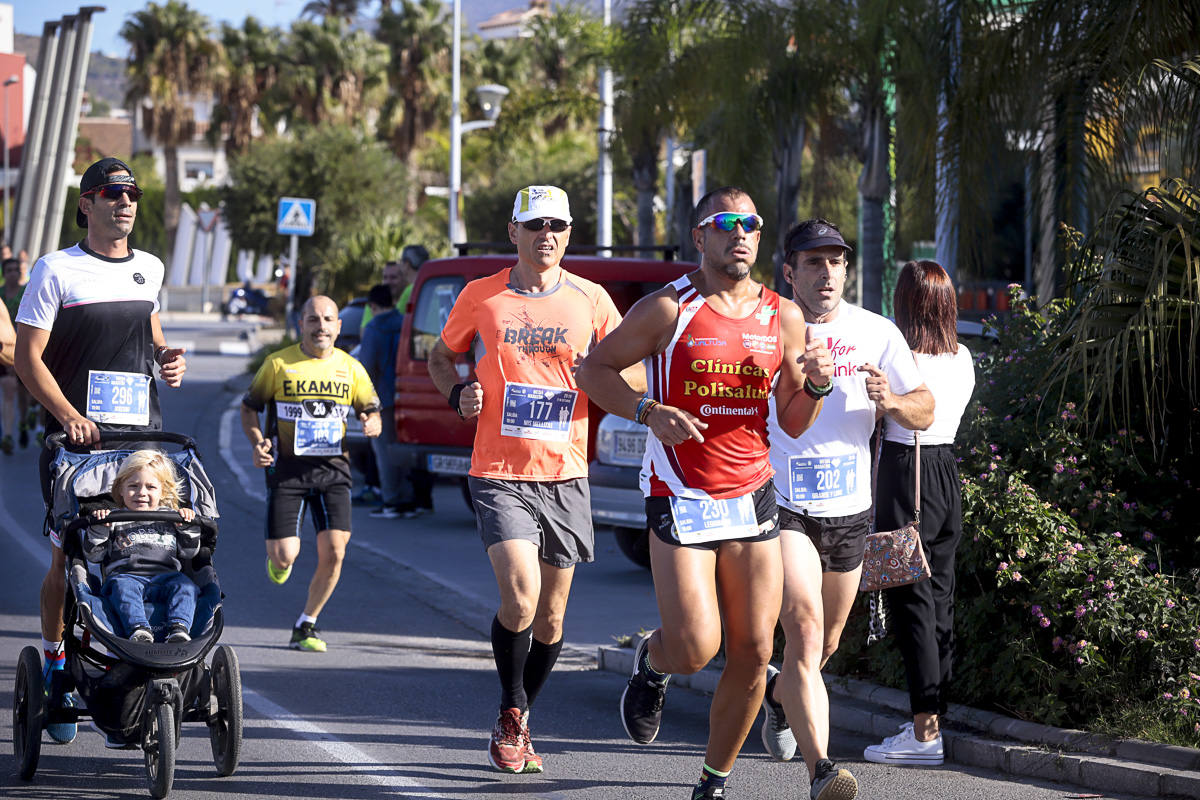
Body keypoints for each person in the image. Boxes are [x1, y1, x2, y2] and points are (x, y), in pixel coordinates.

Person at [577, 187, 838, 800]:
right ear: (700, 237)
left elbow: (793, 420)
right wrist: (648, 411)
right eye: (726, 223)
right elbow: (594, 370)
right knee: (697, 646)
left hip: (752, 493)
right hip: (681, 489)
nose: (740, 233)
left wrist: (818, 388)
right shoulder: (669, 309)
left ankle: (711, 785)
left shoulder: (784, 315)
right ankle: (653, 661)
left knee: (752, 653)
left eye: (750, 223)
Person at [428, 185, 626, 775]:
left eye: (558, 226)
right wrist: (458, 392)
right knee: (520, 596)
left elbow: (632, 364)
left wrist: (609, 385)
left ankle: (520, 719)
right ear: (513, 232)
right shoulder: (480, 296)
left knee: (554, 618)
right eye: (535, 225)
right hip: (498, 472)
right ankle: (512, 709)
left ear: (569, 235)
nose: (548, 236)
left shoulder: (592, 300)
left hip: (566, 474)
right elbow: (442, 356)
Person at [14, 156, 187, 745]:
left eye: (132, 193)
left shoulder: (150, 268)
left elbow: (152, 338)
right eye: (112, 193)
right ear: (86, 203)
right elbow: (28, 359)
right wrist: (70, 417)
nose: (125, 202)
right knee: (72, 558)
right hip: (78, 445)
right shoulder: (55, 270)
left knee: (153, 549)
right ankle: (60, 665)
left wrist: (169, 360)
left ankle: (140, 655)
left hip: (142, 443)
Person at [757, 218, 934, 793]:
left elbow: (925, 408)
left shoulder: (877, 331)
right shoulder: (767, 329)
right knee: (805, 631)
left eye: (835, 261)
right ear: (789, 271)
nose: (827, 272)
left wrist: (894, 400)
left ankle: (779, 697)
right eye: (813, 262)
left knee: (828, 641)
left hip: (851, 510)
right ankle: (823, 772)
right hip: (784, 504)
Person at [863, 260, 975, 766]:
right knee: (940, 596)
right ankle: (932, 719)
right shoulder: (965, 357)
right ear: (946, 304)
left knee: (912, 600)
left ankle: (924, 735)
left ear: (907, 304)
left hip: (906, 471)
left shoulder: (900, 358)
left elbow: (875, 416)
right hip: (947, 472)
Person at [241, 295, 381, 652]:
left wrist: (371, 422)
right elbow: (249, 408)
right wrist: (258, 442)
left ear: (338, 326)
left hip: (334, 471)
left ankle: (307, 623)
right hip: (287, 471)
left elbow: (372, 409)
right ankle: (279, 559)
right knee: (286, 555)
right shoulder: (278, 364)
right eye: (313, 319)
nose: (321, 326)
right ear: (301, 324)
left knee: (335, 551)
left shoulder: (350, 368)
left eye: (328, 319)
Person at [85, 450, 201, 644]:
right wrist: (100, 528)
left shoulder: (171, 517)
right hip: (127, 575)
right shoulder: (114, 518)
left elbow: (190, 552)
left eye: (150, 487)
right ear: (120, 489)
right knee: (123, 587)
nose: (141, 493)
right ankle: (139, 629)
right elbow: (94, 556)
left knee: (187, 586)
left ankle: (179, 628)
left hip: (167, 576)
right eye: (133, 486)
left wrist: (187, 526)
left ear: (163, 491)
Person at [358, 283, 411, 518]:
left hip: (382, 398)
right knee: (404, 450)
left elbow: (366, 368)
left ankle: (391, 501)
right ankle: (410, 499)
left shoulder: (373, 328)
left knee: (384, 452)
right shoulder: (404, 323)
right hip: (407, 396)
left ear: (372, 305)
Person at [1, 255, 34, 451]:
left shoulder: (25, 293)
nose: (13, 274)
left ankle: (25, 417)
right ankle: (7, 434)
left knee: (24, 392)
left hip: (19, 345)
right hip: (7, 349)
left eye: (16, 270)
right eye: (9, 271)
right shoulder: (1, 294)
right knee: (9, 389)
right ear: (4, 274)